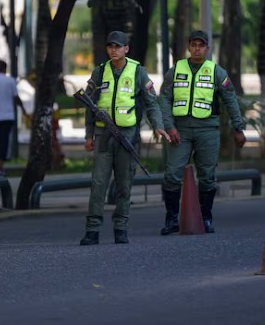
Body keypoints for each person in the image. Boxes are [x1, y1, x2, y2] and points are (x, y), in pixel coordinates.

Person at [80, 31, 170, 246]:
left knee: (124, 184)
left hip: (127, 136)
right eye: (110, 46)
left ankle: (121, 228)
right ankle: (92, 230)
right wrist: (89, 135)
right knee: (98, 183)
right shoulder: (100, 72)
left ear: (126, 49)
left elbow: (151, 103)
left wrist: (158, 126)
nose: (114, 50)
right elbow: (89, 106)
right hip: (103, 135)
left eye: (118, 46)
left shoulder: (138, 72)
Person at [159, 30, 246, 234]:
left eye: (201, 45)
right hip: (179, 130)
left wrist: (238, 128)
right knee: (172, 174)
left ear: (207, 48)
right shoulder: (175, 70)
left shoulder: (216, 72)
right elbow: (163, 99)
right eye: (194, 44)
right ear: (189, 47)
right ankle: (171, 219)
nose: (197, 48)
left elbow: (230, 100)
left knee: (207, 176)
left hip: (208, 130)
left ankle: (205, 217)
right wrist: (169, 126)